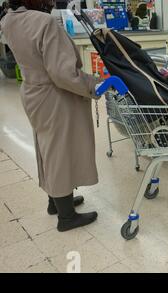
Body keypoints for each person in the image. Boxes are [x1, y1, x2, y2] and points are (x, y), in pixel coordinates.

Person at [0, 0, 101, 232]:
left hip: (33, 92)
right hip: (54, 95)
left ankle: (56, 201)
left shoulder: (8, 19)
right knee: (59, 151)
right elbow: (62, 73)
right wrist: (92, 85)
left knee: (48, 147)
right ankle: (66, 217)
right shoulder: (44, 22)